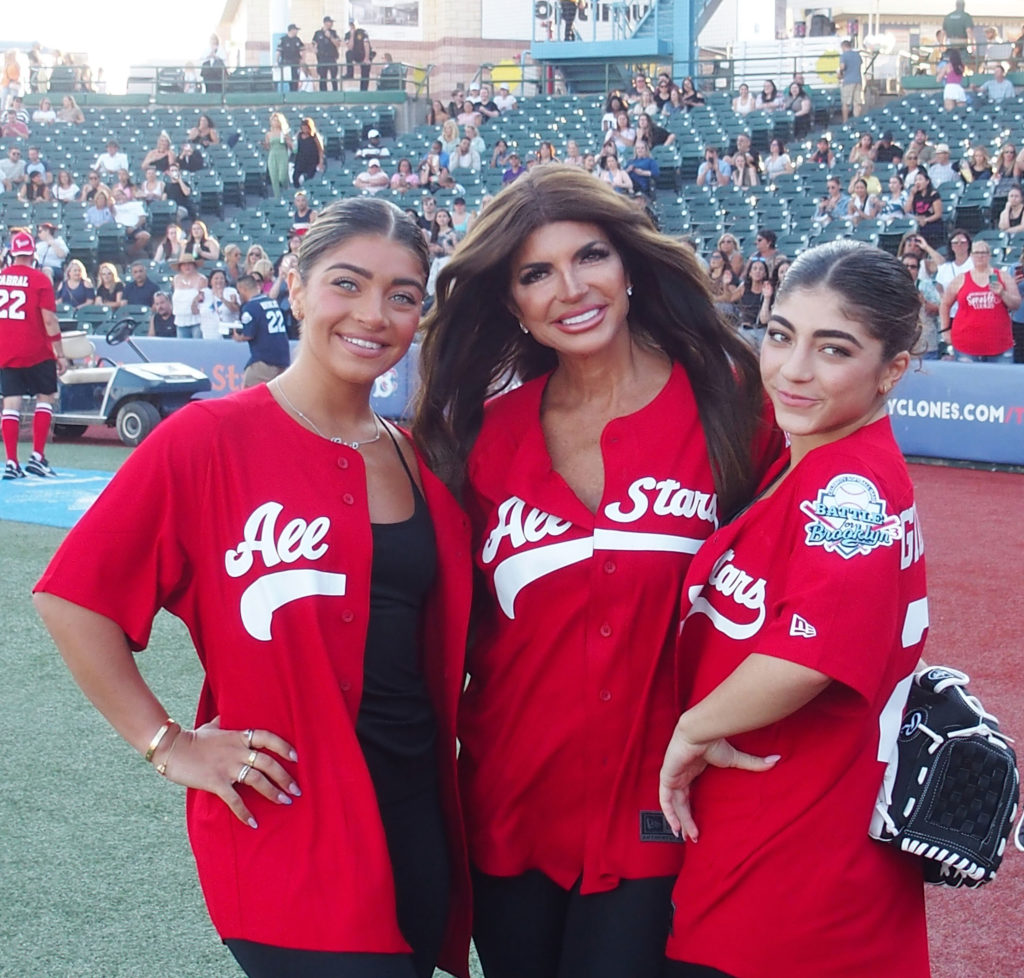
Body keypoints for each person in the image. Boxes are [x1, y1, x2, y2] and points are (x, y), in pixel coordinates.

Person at [33, 197, 473, 978]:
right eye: (348, 283)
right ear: (296, 290)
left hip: (415, 820)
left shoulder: (415, 456)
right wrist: (168, 744)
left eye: (403, 295)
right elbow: (74, 597)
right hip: (290, 829)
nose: (374, 314)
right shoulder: (208, 440)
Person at [411, 167, 777, 978]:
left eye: (591, 257)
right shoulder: (480, 436)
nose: (570, 289)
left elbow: (806, 570)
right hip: (509, 809)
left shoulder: (733, 405)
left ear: (629, 267)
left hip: (666, 809)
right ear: (511, 303)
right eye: (536, 274)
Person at [659, 240, 931, 978]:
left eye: (834, 348)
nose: (793, 368)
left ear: (892, 370)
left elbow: (809, 654)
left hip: (798, 876)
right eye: (781, 334)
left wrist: (691, 730)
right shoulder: (804, 459)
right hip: (765, 847)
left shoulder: (851, 489)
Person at [1, 231, 65, 481]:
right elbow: (49, 319)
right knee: (45, 398)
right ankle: (37, 457)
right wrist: (59, 353)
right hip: (36, 349)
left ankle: (11, 462)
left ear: (12, 254)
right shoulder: (40, 280)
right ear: (32, 254)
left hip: (6, 350)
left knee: (11, 403)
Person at [939, 237, 1021, 362]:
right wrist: (945, 330)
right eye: (977, 253)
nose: (980, 256)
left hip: (999, 344)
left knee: (1001, 380)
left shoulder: (1003, 277)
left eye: (983, 253)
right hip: (966, 344)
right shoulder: (961, 279)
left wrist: (1002, 293)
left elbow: (1016, 304)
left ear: (989, 255)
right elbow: (945, 304)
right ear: (971, 255)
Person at [264, 112, 293, 199]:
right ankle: (277, 198)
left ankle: (286, 190)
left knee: (282, 177)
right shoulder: (268, 134)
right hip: (272, 155)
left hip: (282, 154)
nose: (275, 122)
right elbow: (268, 147)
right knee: (274, 179)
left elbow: (291, 146)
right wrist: (264, 145)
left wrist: (287, 141)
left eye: (277, 120)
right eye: (273, 120)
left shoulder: (284, 133)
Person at [293, 118, 325, 187]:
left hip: (312, 161)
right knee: (295, 177)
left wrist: (320, 162)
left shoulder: (314, 136)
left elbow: (320, 150)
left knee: (308, 177)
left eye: (306, 127)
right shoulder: (299, 135)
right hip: (300, 160)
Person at [313, 16, 341, 91]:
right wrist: (315, 49)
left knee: (333, 77)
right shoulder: (318, 33)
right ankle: (323, 94)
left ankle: (335, 93)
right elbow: (314, 44)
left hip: (332, 58)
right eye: (330, 22)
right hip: (322, 58)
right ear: (325, 23)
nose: (331, 24)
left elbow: (338, 44)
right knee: (322, 78)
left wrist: (331, 37)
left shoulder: (333, 32)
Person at [837, 40, 863, 122]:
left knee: (846, 103)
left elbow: (842, 67)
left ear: (843, 47)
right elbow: (860, 64)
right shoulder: (857, 55)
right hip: (858, 80)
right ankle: (857, 121)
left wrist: (840, 74)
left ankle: (845, 122)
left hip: (848, 81)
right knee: (857, 103)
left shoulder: (844, 55)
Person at [344, 19, 372, 92]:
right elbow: (350, 47)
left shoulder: (362, 32)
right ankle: (350, 73)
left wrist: (366, 58)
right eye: (351, 25)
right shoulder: (347, 35)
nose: (352, 26)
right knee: (348, 53)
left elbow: (366, 45)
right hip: (355, 54)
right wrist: (352, 35)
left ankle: (364, 90)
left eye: (353, 24)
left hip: (364, 53)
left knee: (365, 74)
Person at [277, 24, 304, 92]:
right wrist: (277, 62)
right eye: (296, 30)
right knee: (285, 81)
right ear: (292, 30)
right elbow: (278, 52)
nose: (297, 32)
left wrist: (302, 61)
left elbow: (302, 50)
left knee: (295, 82)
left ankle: (294, 97)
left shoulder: (297, 40)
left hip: (295, 63)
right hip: (286, 63)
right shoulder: (283, 39)